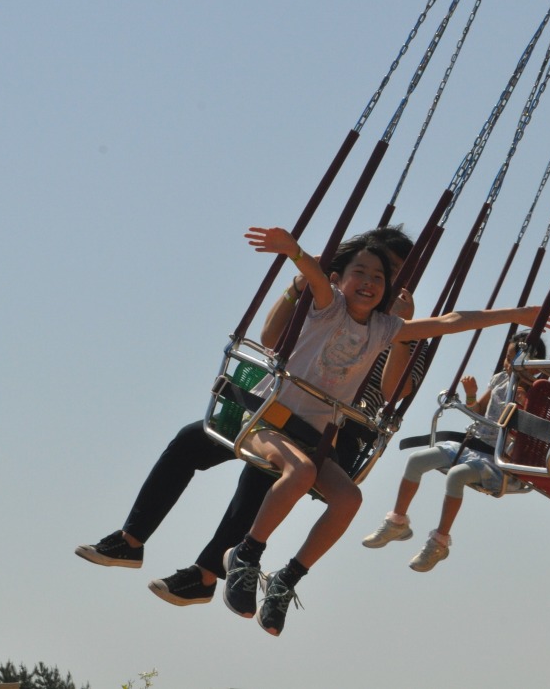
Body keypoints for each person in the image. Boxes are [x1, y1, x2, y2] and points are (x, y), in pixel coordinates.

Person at [224, 225, 550, 636]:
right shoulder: (329, 307)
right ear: (340, 279)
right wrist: (294, 251)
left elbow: (452, 321)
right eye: (360, 273)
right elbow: (313, 274)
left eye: (378, 277)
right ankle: (245, 555)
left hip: (311, 438)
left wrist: (515, 316)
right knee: (301, 472)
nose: (368, 282)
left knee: (349, 499)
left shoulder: (385, 330)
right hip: (267, 421)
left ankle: (286, 579)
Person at [75, 226, 427, 608]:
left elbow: (394, 392)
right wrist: (298, 285)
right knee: (192, 441)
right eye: (370, 269)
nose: (378, 280)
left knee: (263, 476)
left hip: (334, 433)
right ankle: (131, 540)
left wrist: (400, 336)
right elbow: (272, 338)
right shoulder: (329, 306)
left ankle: (206, 574)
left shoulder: (399, 330)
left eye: (390, 273)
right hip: (277, 408)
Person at [360, 330, 546, 571]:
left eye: (513, 360)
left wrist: (522, 405)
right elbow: (478, 411)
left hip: (501, 461)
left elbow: (533, 437)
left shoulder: (535, 394)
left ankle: (439, 542)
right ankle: (397, 521)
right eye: (507, 358)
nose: (507, 364)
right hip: (474, 447)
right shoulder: (501, 379)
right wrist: (471, 394)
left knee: (457, 475)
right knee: (416, 460)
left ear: (534, 367)